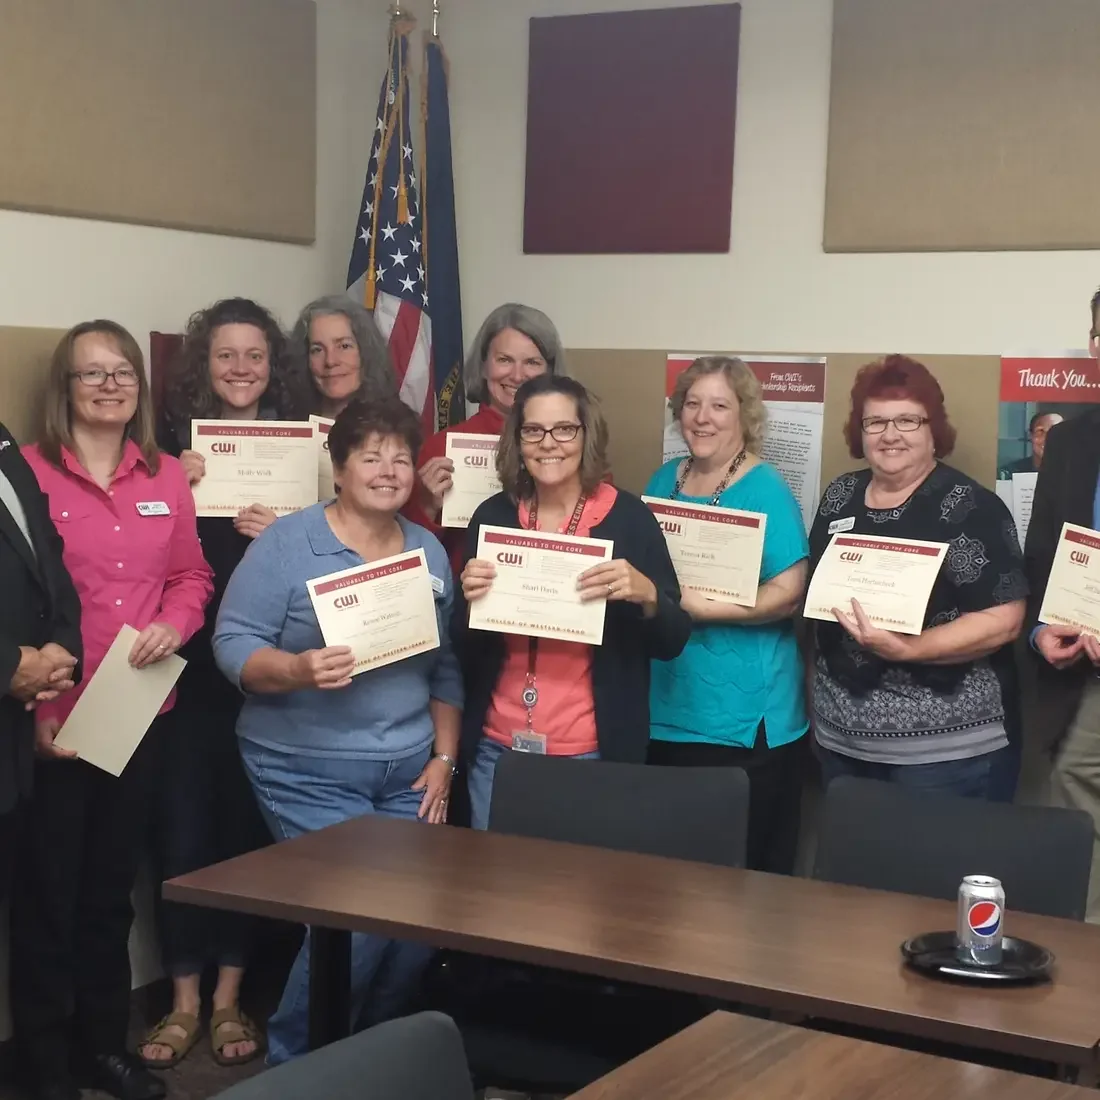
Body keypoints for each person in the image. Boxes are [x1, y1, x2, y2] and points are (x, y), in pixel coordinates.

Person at [213, 396, 462, 1065]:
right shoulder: (289, 544)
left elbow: (447, 668)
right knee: (357, 925)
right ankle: (297, 1069)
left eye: (401, 457)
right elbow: (233, 644)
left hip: (406, 773)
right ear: (340, 465)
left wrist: (445, 759)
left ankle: (361, 1058)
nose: (388, 469)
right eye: (371, 455)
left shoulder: (428, 552)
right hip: (304, 768)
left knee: (414, 936)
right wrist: (294, 667)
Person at [12, 321, 213, 1100]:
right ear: (65, 387)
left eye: (122, 370)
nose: (108, 384)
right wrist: (30, 714)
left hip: (136, 716)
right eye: (90, 373)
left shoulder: (165, 476)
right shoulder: (25, 475)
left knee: (107, 898)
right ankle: (40, 1065)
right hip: (53, 717)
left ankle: (102, 1048)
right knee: (45, 901)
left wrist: (177, 622)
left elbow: (191, 577)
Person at [139, 299, 308, 1070]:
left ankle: (228, 996)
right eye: (225, 356)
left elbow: (335, 567)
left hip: (264, 677)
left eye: (255, 356)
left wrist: (288, 532)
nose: (241, 369)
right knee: (178, 832)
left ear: (275, 366)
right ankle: (180, 1000)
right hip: (178, 677)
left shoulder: (307, 454)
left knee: (243, 835)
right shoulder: (164, 455)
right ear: (202, 367)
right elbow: (130, 563)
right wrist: (178, 484)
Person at [454, 374, 692, 830]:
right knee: (494, 893)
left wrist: (647, 595)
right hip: (497, 749)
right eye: (533, 430)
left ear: (586, 435)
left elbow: (674, 639)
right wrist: (467, 602)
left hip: (592, 752)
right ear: (517, 440)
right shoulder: (494, 516)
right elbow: (463, 649)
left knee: (582, 895)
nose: (549, 444)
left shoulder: (628, 518)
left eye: (565, 429)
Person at [807, 355, 1027, 800]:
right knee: (850, 870)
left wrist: (911, 648)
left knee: (938, 869)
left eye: (907, 420)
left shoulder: (971, 506)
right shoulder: (840, 497)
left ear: (933, 430)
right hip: (842, 745)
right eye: (875, 422)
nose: (890, 435)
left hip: (945, 756)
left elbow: (1004, 620)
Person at [644, 357, 809, 874]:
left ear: (745, 416)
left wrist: (700, 607)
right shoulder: (665, 478)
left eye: (719, 405)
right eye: (692, 403)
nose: (702, 417)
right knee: (673, 875)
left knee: (742, 880)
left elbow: (789, 593)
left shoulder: (767, 490)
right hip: (668, 708)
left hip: (743, 726)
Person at [1026, 286, 1100, 921]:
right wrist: (1043, 628)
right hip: (1086, 678)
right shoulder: (1072, 443)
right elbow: (1042, 554)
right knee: (1082, 837)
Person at [408, 303, 566, 571]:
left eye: (532, 362)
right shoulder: (442, 447)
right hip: (465, 598)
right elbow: (408, 553)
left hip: (552, 591)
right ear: (482, 367)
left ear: (550, 372)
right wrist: (426, 508)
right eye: (504, 360)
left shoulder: (572, 446)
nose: (517, 375)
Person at [0, 420, 82, 904]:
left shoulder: (3, 439)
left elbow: (46, 552)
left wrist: (61, 645)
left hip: (11, 740)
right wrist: (7, 665)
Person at [287, 294, 396, 419]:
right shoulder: (288, 423)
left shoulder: (395, 428)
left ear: (366, 352)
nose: (330, 361)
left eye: (344, 346)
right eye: (317, 350)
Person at [999, 411, 1064, 476]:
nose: (1046, 438)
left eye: (1056, 431)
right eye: (1040, 431)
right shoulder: (1008, 474)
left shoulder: (1073, 474)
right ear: (1031, 435)